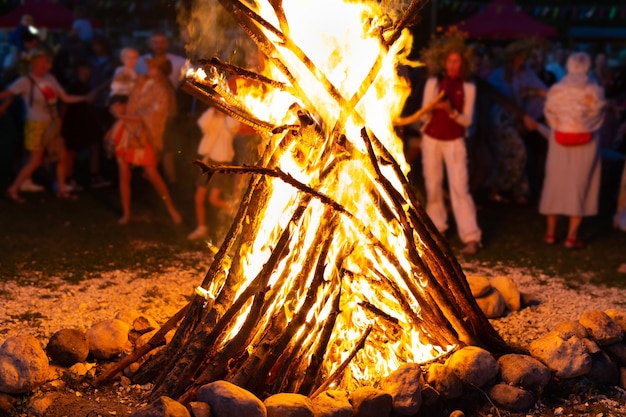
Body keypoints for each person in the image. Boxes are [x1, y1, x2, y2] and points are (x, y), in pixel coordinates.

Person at [0, 48, 91, 202]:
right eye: (45, 62)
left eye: (48, 62)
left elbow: (65, 98)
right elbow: (6, 94)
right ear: (35, 63)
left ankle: (62, 190)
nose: (48, 65)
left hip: (52, 124)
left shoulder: (50, 78)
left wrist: (85, 97)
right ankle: (13, 188)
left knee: (61, 156)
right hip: (36, 125)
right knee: (35, 161)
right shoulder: (25, 81)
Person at [537, 52, 606, 249]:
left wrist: (563, 124)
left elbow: (549, 114)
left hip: (559, 142)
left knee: (555, 184)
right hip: (586, 144)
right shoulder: (595, 90)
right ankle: (571, 237)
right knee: (580, 185)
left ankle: (550, 233)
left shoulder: (557, 90)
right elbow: (598, 116)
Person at [420, 43, 482, 255]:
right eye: (450, 60)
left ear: (463, 64)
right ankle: (438, 230)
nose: (453, 65)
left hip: (454, 141)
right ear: (444, 62)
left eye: (457, 61)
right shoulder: (434, 83)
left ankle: (471, 236)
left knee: (459, 188)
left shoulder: (468, 88)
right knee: (434, 185)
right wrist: (431, 109)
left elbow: (467, 120)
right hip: (432, 139)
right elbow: (424, 112)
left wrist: (451, 111)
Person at [110, 55, 181, 225]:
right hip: (127, 132)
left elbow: (156, 114)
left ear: (161, 72)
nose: (149, 69)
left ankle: (171, 209)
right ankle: (126, 213)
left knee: (152, 173)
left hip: (144, 135)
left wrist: (129, 116)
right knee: (123, 173)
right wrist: (117, 106)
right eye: (149, 66)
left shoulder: (163, 90)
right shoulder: (139, 82)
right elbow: (122, 95)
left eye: (153, 67)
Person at [135, 31, 187, 185]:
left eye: (162, 42)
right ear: (150, 44)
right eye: (155, 42)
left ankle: (171, 182)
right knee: (150, 146)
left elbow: (194, 74)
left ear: (167, 43)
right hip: (147, 112)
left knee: (167, 149)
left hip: (166, 113)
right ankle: (149, 179)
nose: (159, 45)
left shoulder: (178, 62)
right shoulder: (141, 62)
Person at [188, 107, 240, 240]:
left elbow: (234, 126)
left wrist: (227, 110)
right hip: (208, 161)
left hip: (222, 164)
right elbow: (202, 123)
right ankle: (201, 228)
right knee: (199, 197)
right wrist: (212, 108)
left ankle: (237, 213)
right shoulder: (212, 119)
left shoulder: (230, 121)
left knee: (214, 199)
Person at [61, 60, 98, 189]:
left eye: (88, 69)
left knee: (74, 151)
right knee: (70, 152)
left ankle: (70, 178)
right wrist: (61, 121)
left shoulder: (84, 85)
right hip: (72, 121)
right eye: (84, 70)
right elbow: (65, 104)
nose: (87, 72)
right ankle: (67, 179)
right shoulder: (74, 86)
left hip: (79, 121)